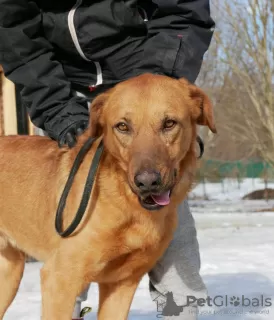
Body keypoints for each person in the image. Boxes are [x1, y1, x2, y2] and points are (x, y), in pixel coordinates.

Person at [0, 1, 215, 319]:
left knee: (164, 263)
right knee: (66, 273)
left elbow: (184, 11)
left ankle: (180, 311)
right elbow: (14, 30)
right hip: (61, 85)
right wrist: (59, 111)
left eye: (170, 125)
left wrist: (158, 88)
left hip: (144, 74)